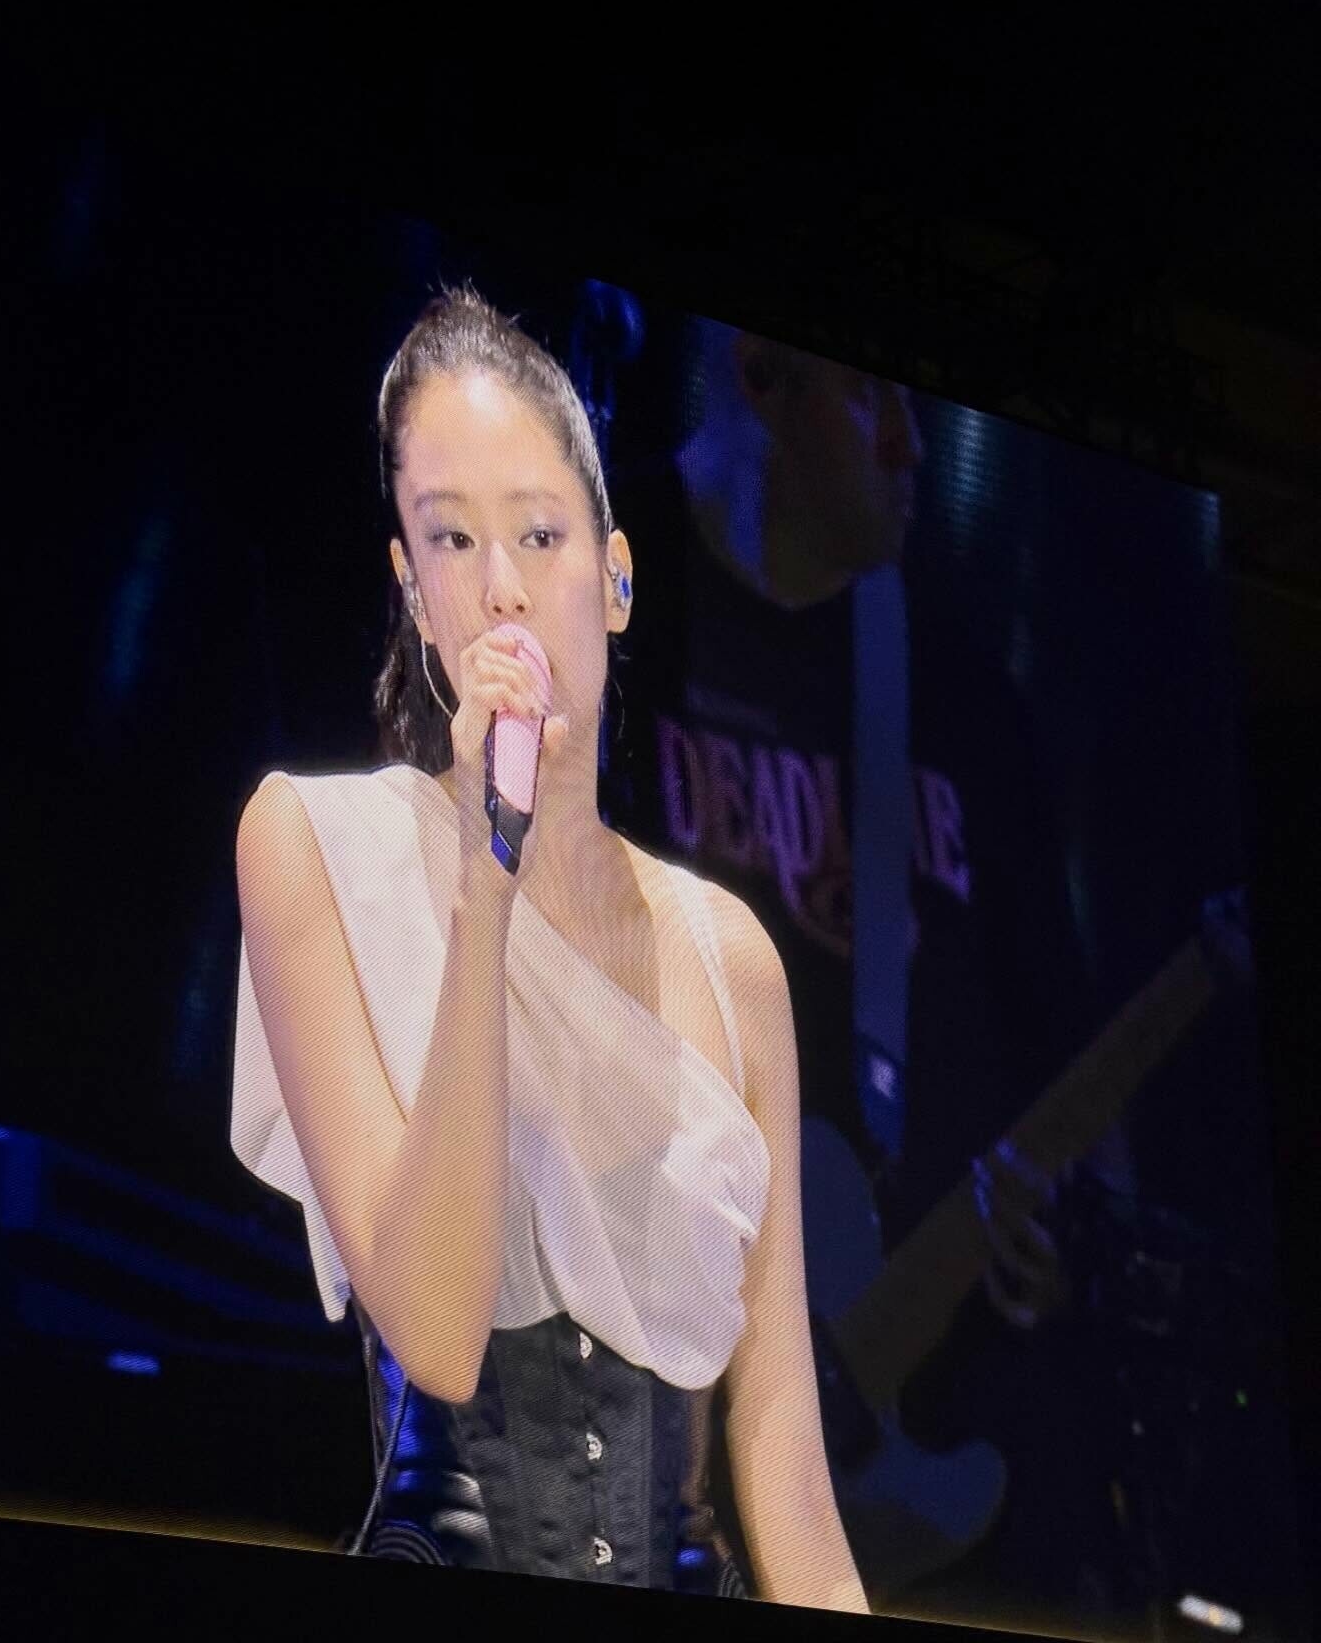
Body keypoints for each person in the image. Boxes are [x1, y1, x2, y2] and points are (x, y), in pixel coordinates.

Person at [228, 285, 871, 1610]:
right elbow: (437, 1330)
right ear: (412, 590)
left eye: (538, 532)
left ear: (616, 574)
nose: (504, 591)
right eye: (451, 540)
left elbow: (785, 1468)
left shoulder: (733, 958)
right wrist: (485, 884)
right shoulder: (317, 850)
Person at [602, 320, 1132, 1627]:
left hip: (912, 1431)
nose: (913, 447)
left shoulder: (959, 691)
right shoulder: (601, 613)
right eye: (869, 397)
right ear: (759, 377)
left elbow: (1063, 1046)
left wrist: (1065, 1242)